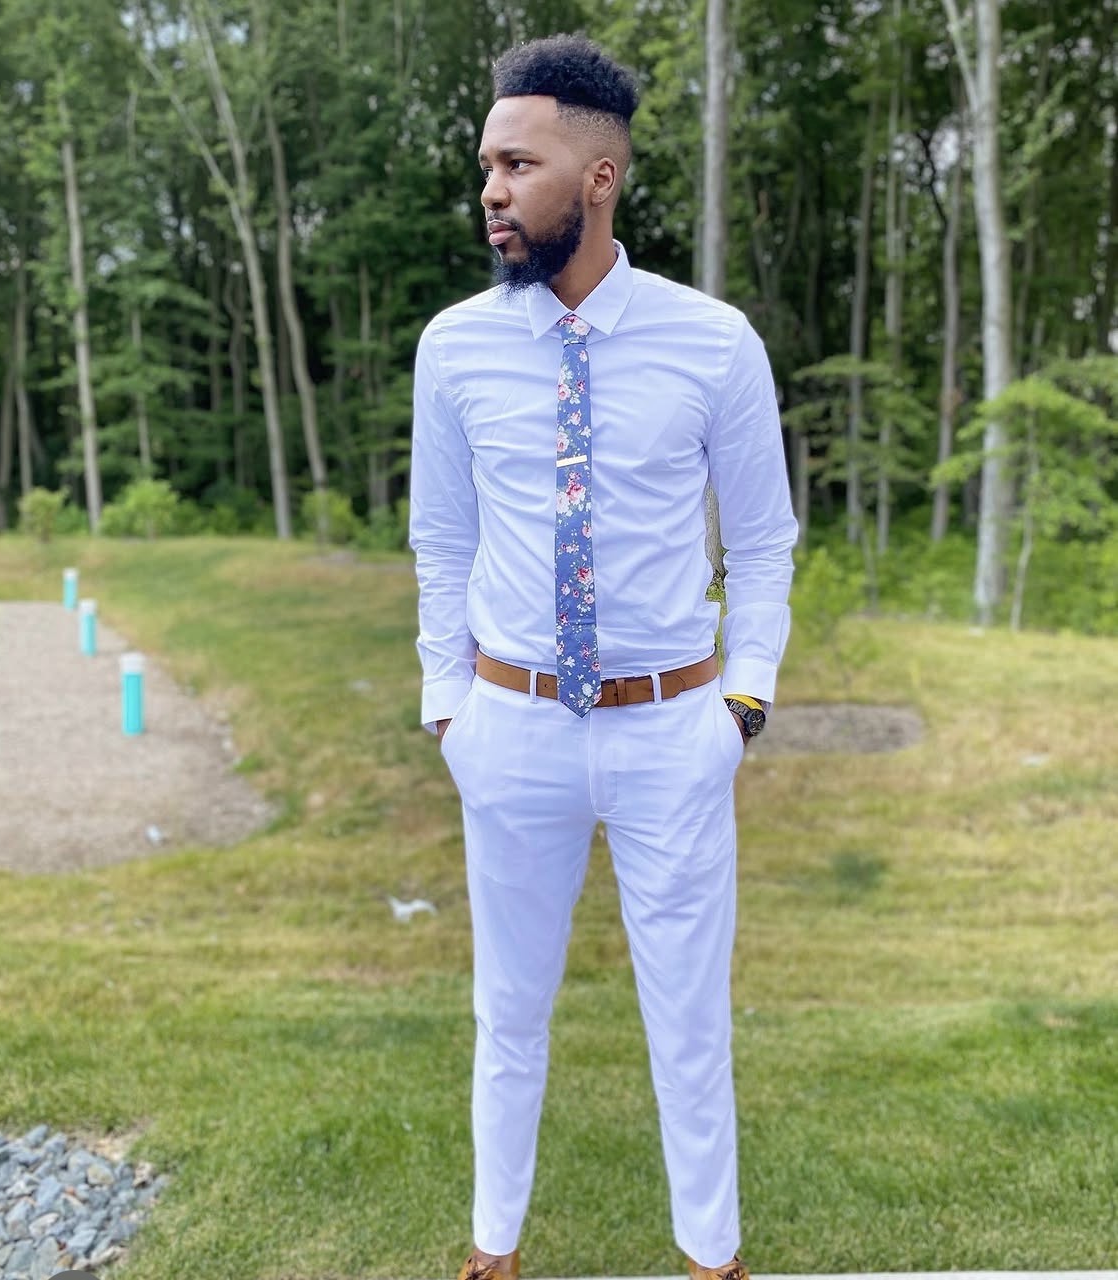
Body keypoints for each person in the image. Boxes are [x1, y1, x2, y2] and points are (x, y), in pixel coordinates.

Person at [408, 33, 798, 1280]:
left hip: (672, 731)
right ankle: (493, 1251)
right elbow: (440, 540)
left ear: (599, 177)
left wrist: (742, 701)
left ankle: (712, 1257)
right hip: (509, 724)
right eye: (486, 165)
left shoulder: (713, 342)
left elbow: (767, 539)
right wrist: (448, 706)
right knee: (506, 1013)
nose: (491, 190)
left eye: (518, 165)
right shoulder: (454, 346)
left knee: (689, 1020)